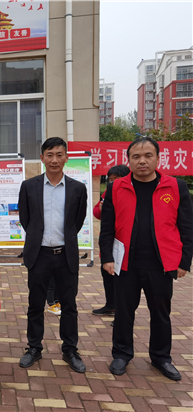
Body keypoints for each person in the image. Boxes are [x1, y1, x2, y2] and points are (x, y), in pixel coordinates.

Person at [100, 137, 193, 381]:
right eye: (136, 157)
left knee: (160, 313)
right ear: (129, 160)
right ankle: (121, 354)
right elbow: (107, 226)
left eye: (148, 156)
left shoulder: (175, 186)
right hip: (125, 263)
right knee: (123, 312)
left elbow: (186, 226)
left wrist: (184, 261)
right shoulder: (116, 187)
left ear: (158, 158)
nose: (142, 161)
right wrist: (107, 257)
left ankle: (161, 357)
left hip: (160, 264)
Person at [17, 137, 88, 373]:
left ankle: (70, 349)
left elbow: (77, 222)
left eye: (59, 155)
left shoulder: (78, 189)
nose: (54, 159)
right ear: (42, 158)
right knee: (35, 304)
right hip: (39, 255)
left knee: (69, 305)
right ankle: (34, 347)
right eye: (50, 155)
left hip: (66, 254)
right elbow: (26, 220)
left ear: (66, 158)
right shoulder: (29, 186)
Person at [92, 164, 130, 317]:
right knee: (107, 275)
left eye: (117, 179)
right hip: (108, 243)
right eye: (111, 179)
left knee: (123, 281)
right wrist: (102, 209)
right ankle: (110, 305)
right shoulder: (108, 192)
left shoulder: (131, 193)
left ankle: (122, 313)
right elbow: (96, 212)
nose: (113, 182)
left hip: (124, 243)